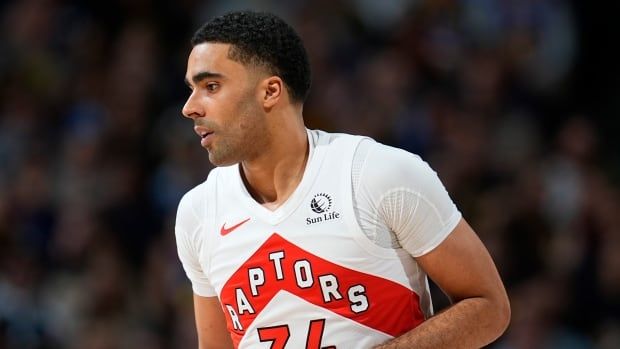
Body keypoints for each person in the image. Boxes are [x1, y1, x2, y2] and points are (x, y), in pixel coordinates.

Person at [175, 10, 510, 349]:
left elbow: (488, 306)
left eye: (211, 86)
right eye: (192, 89)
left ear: (271, 91)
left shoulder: (377, 173)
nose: (190, 107)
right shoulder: (198, 212)